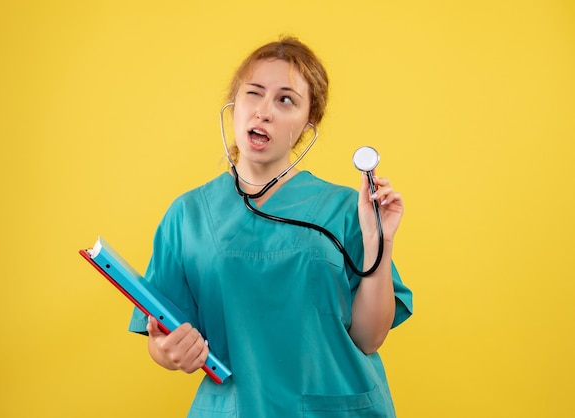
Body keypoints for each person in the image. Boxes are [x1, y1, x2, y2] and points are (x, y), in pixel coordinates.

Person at [129, 36, 413, 417]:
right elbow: (161, 335)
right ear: (233, 106)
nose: (263, 112)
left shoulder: (348, 208)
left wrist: (381, 240)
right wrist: (167, 351)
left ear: (307, 124)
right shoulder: (187, 216)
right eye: (254, 94)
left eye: (285, 100)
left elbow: (369, 337)